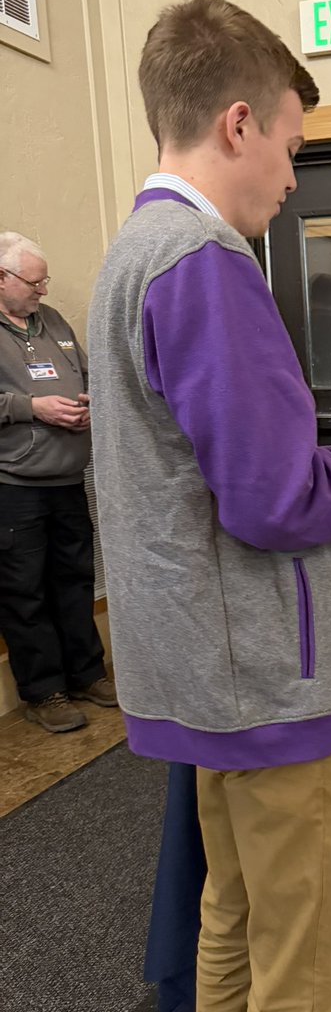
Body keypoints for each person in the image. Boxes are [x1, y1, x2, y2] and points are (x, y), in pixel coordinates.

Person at [87, 0, 331, 1012]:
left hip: (200, 678)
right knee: (303, 977)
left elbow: (219, 469)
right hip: (268, 688)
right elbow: (275, 499)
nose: (292, 177)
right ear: (238, 124)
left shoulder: (129, 252)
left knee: (231, 933)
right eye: (291, 145)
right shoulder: (204, 260)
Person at [0, 232, 116, 733]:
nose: (43, 289)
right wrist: (34, 407)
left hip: (68, 477)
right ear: (1, 279)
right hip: (14, 485)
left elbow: (88, 376)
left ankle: (87, 673)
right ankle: (44, 692)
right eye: (34, 280)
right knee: (25, 591)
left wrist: (89, 405)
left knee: (75, 580)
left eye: (44, 279)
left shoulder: (54, 323)